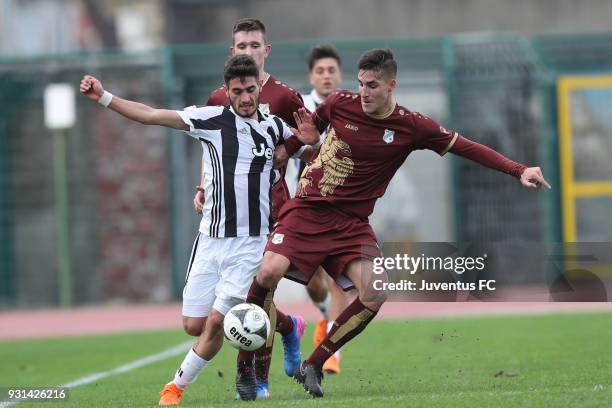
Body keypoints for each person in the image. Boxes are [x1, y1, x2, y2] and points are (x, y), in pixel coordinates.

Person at [241, 48, 551, 398]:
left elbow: (466, 146)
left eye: (372, 85)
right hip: (308, 210)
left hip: (351, 224)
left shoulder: (412, 126)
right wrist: (304, 141)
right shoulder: (339, 103)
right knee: (268, 273)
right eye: (360, 84)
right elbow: (306, 137)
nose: (364, 92)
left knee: (375, 291)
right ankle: (248, 370)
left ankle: (315, 363)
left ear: (391, 85)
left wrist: (519, 170)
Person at [78, 55, 318, 405]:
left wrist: (308, 142)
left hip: (250, 245)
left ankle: (173, 389)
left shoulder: (273, 126)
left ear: (258, 88)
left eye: (251, 89)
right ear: (228, 91)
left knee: (219, 323)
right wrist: (103, 96)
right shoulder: (211, 119)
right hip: (210, 241)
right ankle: (287, 324)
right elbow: (151, 115)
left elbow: (305, 150)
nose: (246, 97)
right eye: (238, 91)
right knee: (193, 324)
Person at [193, 18, 325, 397]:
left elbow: (309, 142)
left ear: (266, 51)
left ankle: (255, 381)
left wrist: (288, 155)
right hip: (229, 215)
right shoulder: (219, 98)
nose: (248, 50)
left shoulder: (285, 97)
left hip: (273, 209)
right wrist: (203, 185)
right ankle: (288, 327)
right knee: (234, 304)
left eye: (255, 45)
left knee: (259, 293)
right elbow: (211, 150)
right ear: (232, 52)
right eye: (241, 46)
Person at [293, 44, 353, 375]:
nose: (327, 76)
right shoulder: (298, 107)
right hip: (303, 202)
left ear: (340, 74)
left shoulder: (353, 107)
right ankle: (326, 314)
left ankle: (331, 351)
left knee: (338, 278)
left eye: (331, 70)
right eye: (321, 71)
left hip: (342, 205)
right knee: (312, 278)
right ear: (311, 76)